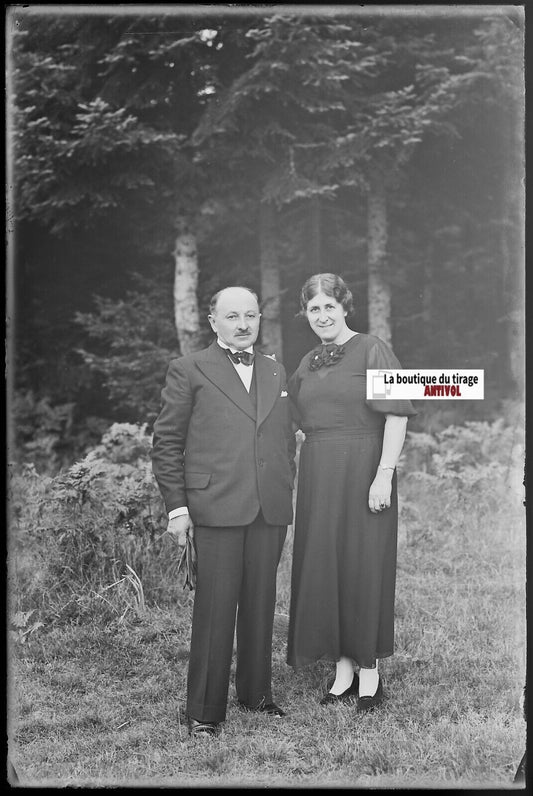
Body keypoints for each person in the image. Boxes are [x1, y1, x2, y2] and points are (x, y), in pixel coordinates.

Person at [152, 286, 295, 737]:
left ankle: (256, 694)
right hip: (213, 508)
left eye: (250, 315)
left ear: (259, 319)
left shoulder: (275, 369)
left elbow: (282, 439)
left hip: (268, 507)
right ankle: (204, 711)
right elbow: (167, 443)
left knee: (260, 604)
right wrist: (178, 509)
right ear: (213, 321)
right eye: (232, 316)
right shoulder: (188, 368)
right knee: (215, 610)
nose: (242, 324)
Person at [287, 273, 416, 711]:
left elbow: (397, 416)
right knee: (327, 564)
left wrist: (385, 474)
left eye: (329, 306)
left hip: (364, 466)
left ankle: (369, 674)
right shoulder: (308, 361)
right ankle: (342, 671)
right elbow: (292, 417)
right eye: (313, 308)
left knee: (362, 563)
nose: (322, 315)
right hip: (320, 472)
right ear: (305, 314)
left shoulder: (373, 347)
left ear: (344, 307)